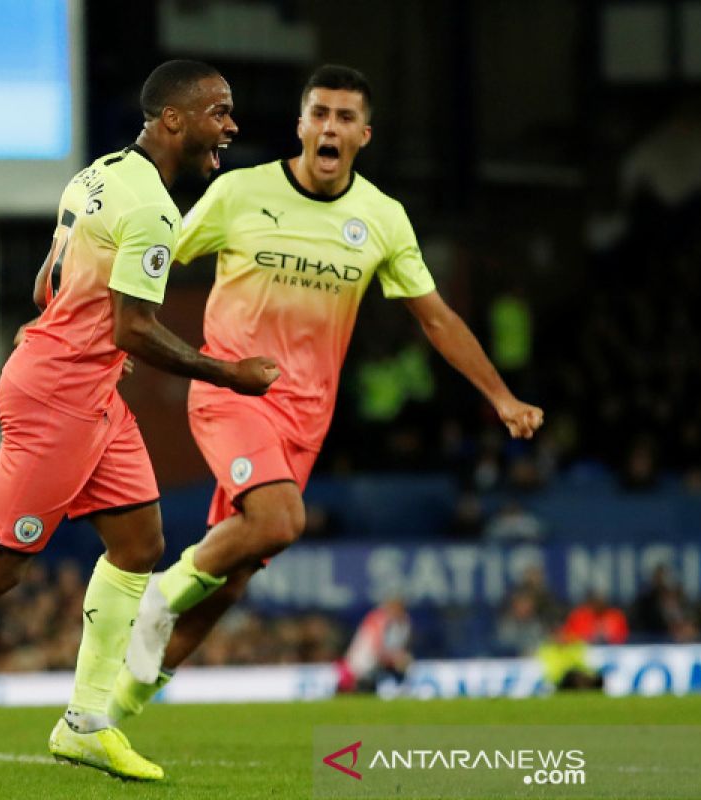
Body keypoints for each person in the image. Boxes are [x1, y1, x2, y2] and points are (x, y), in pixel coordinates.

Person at [0, 60, 278, 788]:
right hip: (59, 398)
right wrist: (230, 372)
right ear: (173, 118)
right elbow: (136, 328)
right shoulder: (154, 212)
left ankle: (85, 724)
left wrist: (74, 331)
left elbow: (53, 284)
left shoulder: (97, 173)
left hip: (87, 385)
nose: (230, 127)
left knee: (140, 544)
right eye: (218, 112)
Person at [109, 64, 545, 720]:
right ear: (301, 125)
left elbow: (436, 318)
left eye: (344, 118)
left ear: (363, 134)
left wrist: (501, 397)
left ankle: (117, 706)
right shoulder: (239, 193)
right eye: (319, 114)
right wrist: (105, 331)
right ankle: (157, 598)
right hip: (231, 390)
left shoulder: (382, 218)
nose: (329, 127)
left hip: (305, 416)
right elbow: (154, 259)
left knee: (238, 572)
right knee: (282, 520)